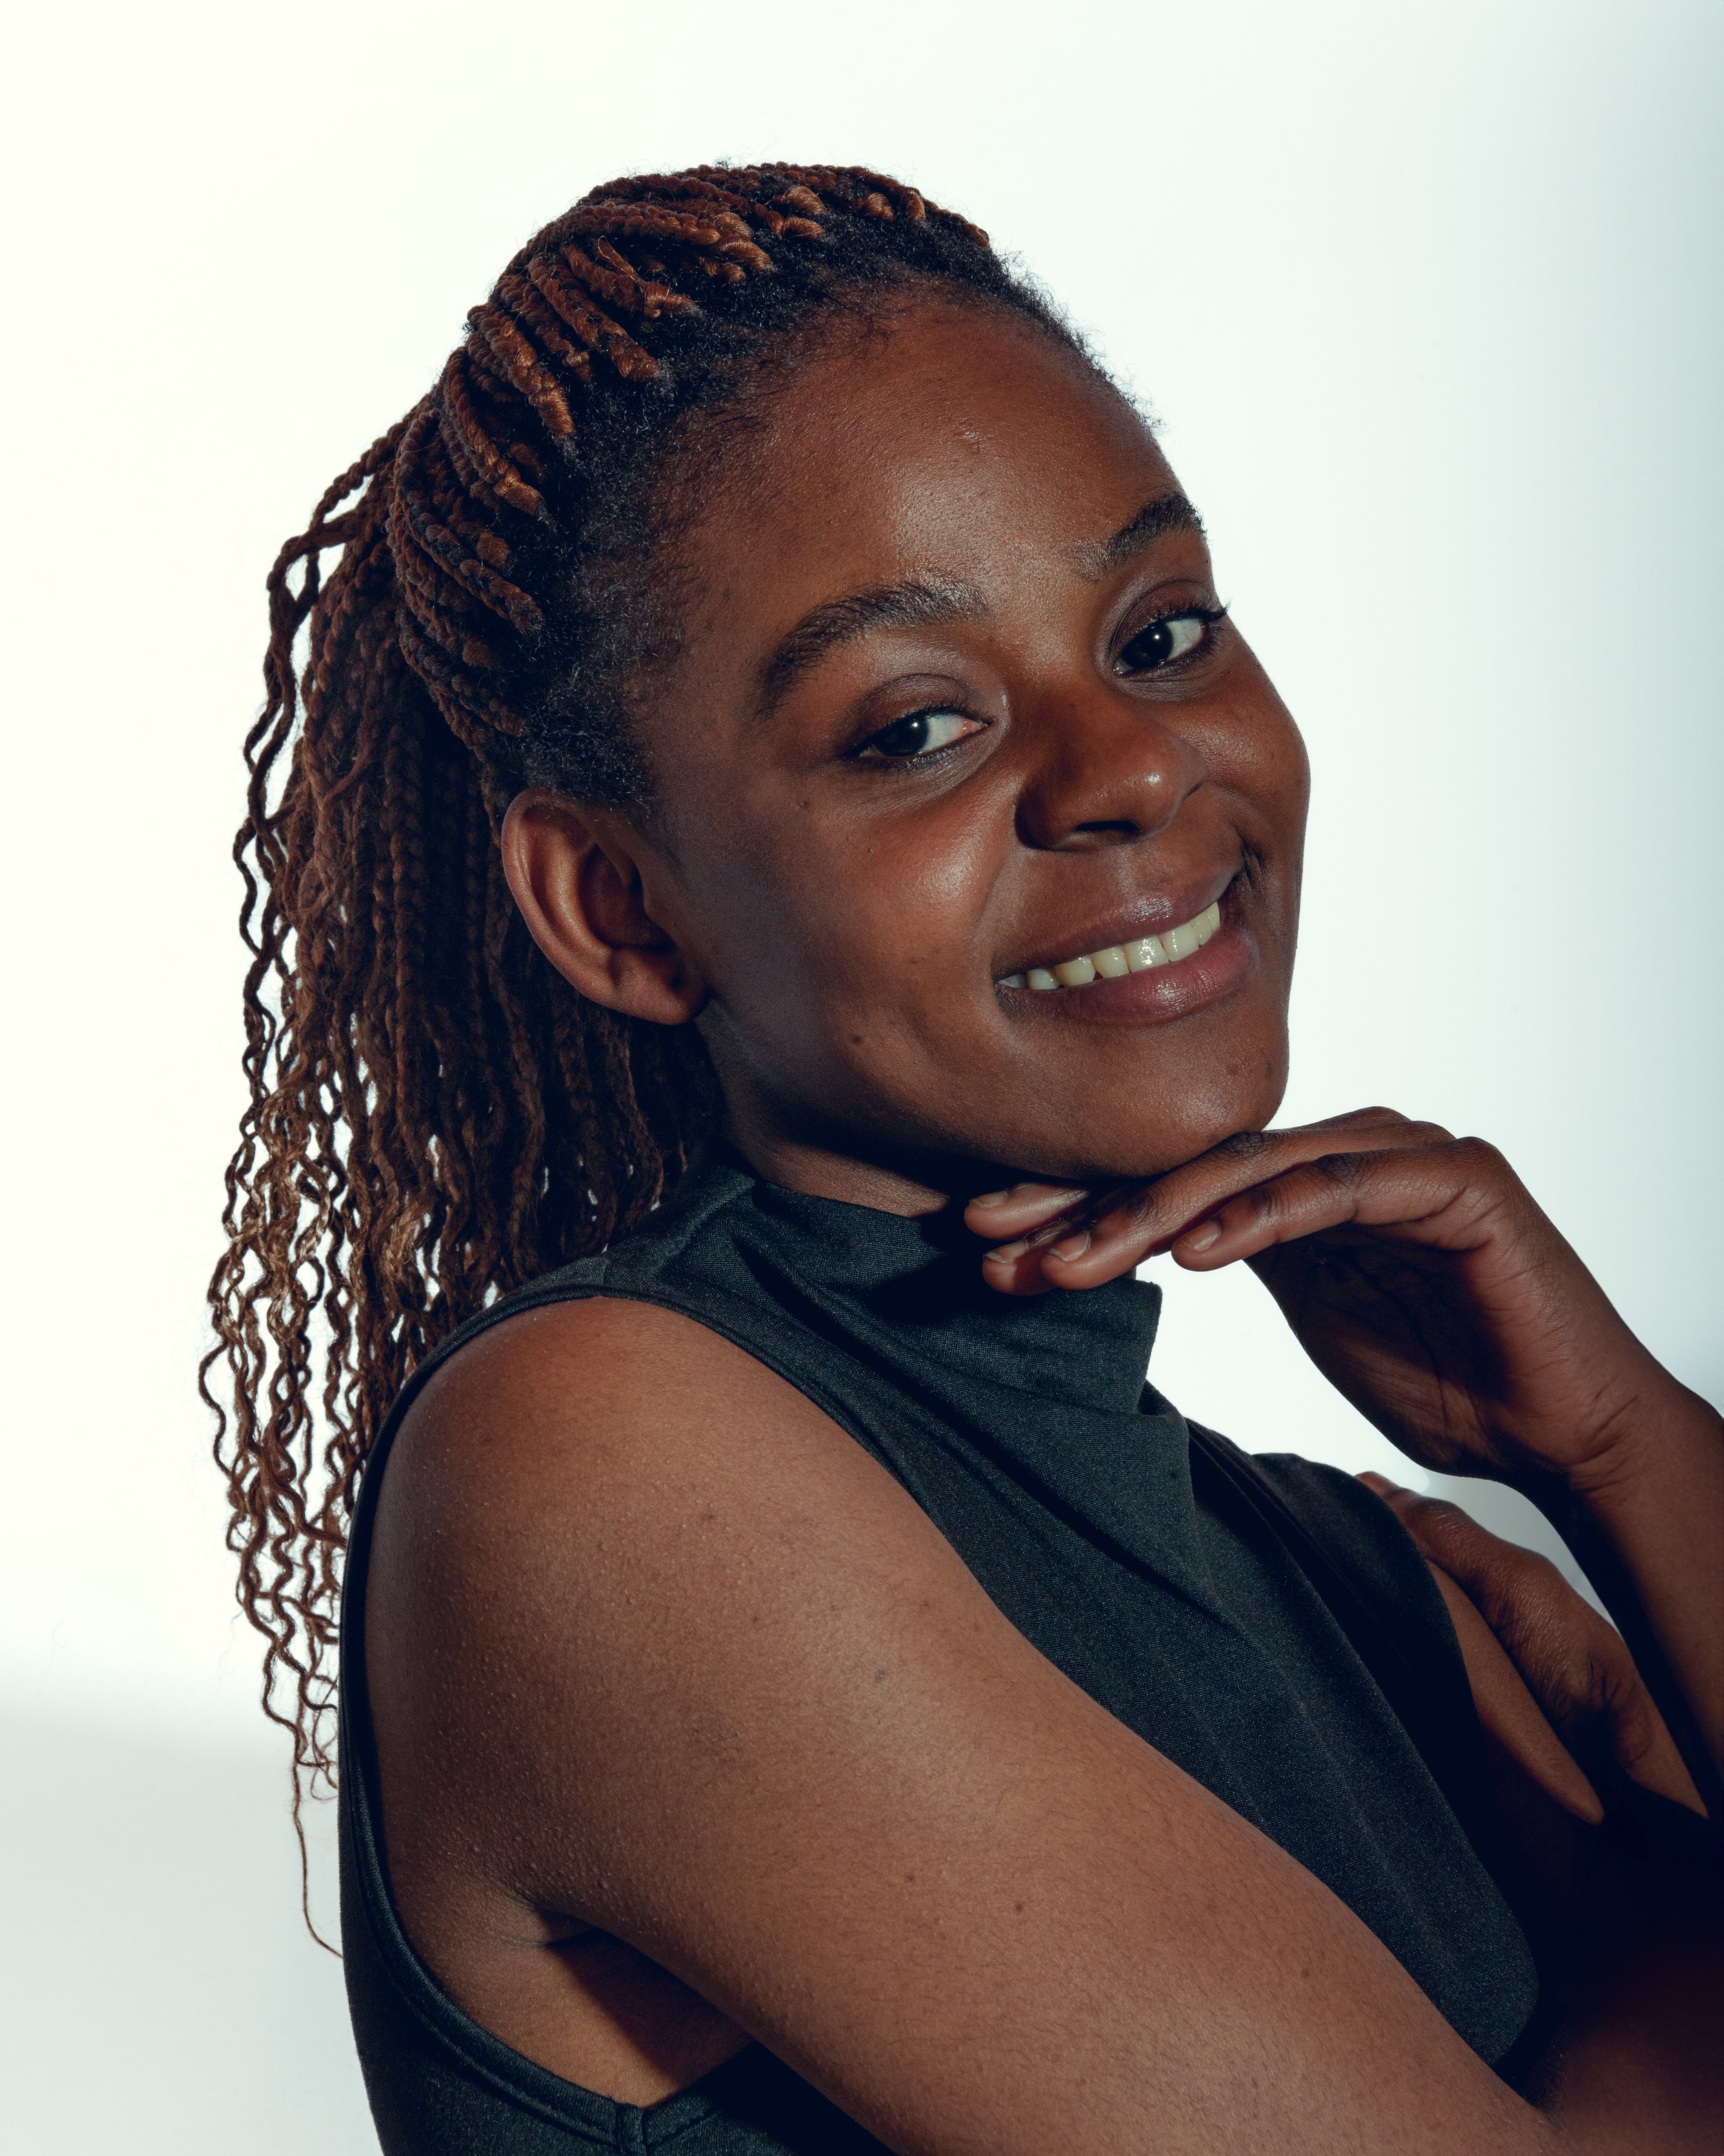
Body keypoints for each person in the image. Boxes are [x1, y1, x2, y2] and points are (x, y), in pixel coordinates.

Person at [205, 163, 1721, 2154]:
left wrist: (1618, 1442)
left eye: (1162, 632)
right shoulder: (595, 1470)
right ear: (620, 907)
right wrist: (1677, 1913)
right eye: (914, 729)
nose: (1132, 768)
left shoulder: (1357, 1579)